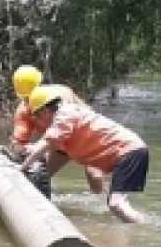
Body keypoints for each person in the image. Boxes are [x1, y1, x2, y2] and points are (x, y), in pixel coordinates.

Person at [18, 86, 150, 223]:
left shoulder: (64, 115)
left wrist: (22, 168)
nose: (38, 121)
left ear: (45, 111)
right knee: (117, 203)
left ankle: (143, 229)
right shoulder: (68, 113)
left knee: (116, 204)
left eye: (37, 116)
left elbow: (47, 143)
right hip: (130, 152)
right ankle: (132, 228)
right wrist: (31, 150)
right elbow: (52, 145)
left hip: (129, 153)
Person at [9, 67, 106, 193]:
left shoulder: (62, 95)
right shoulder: (23, 112)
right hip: (60, 146)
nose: (30, 103)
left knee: (94, 175)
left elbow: (66, 128)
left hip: (87, 137)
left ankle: (107, 203)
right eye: (26, 99)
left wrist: (39, 147)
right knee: (37, 176)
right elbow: (19, 143)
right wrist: (20, 153)